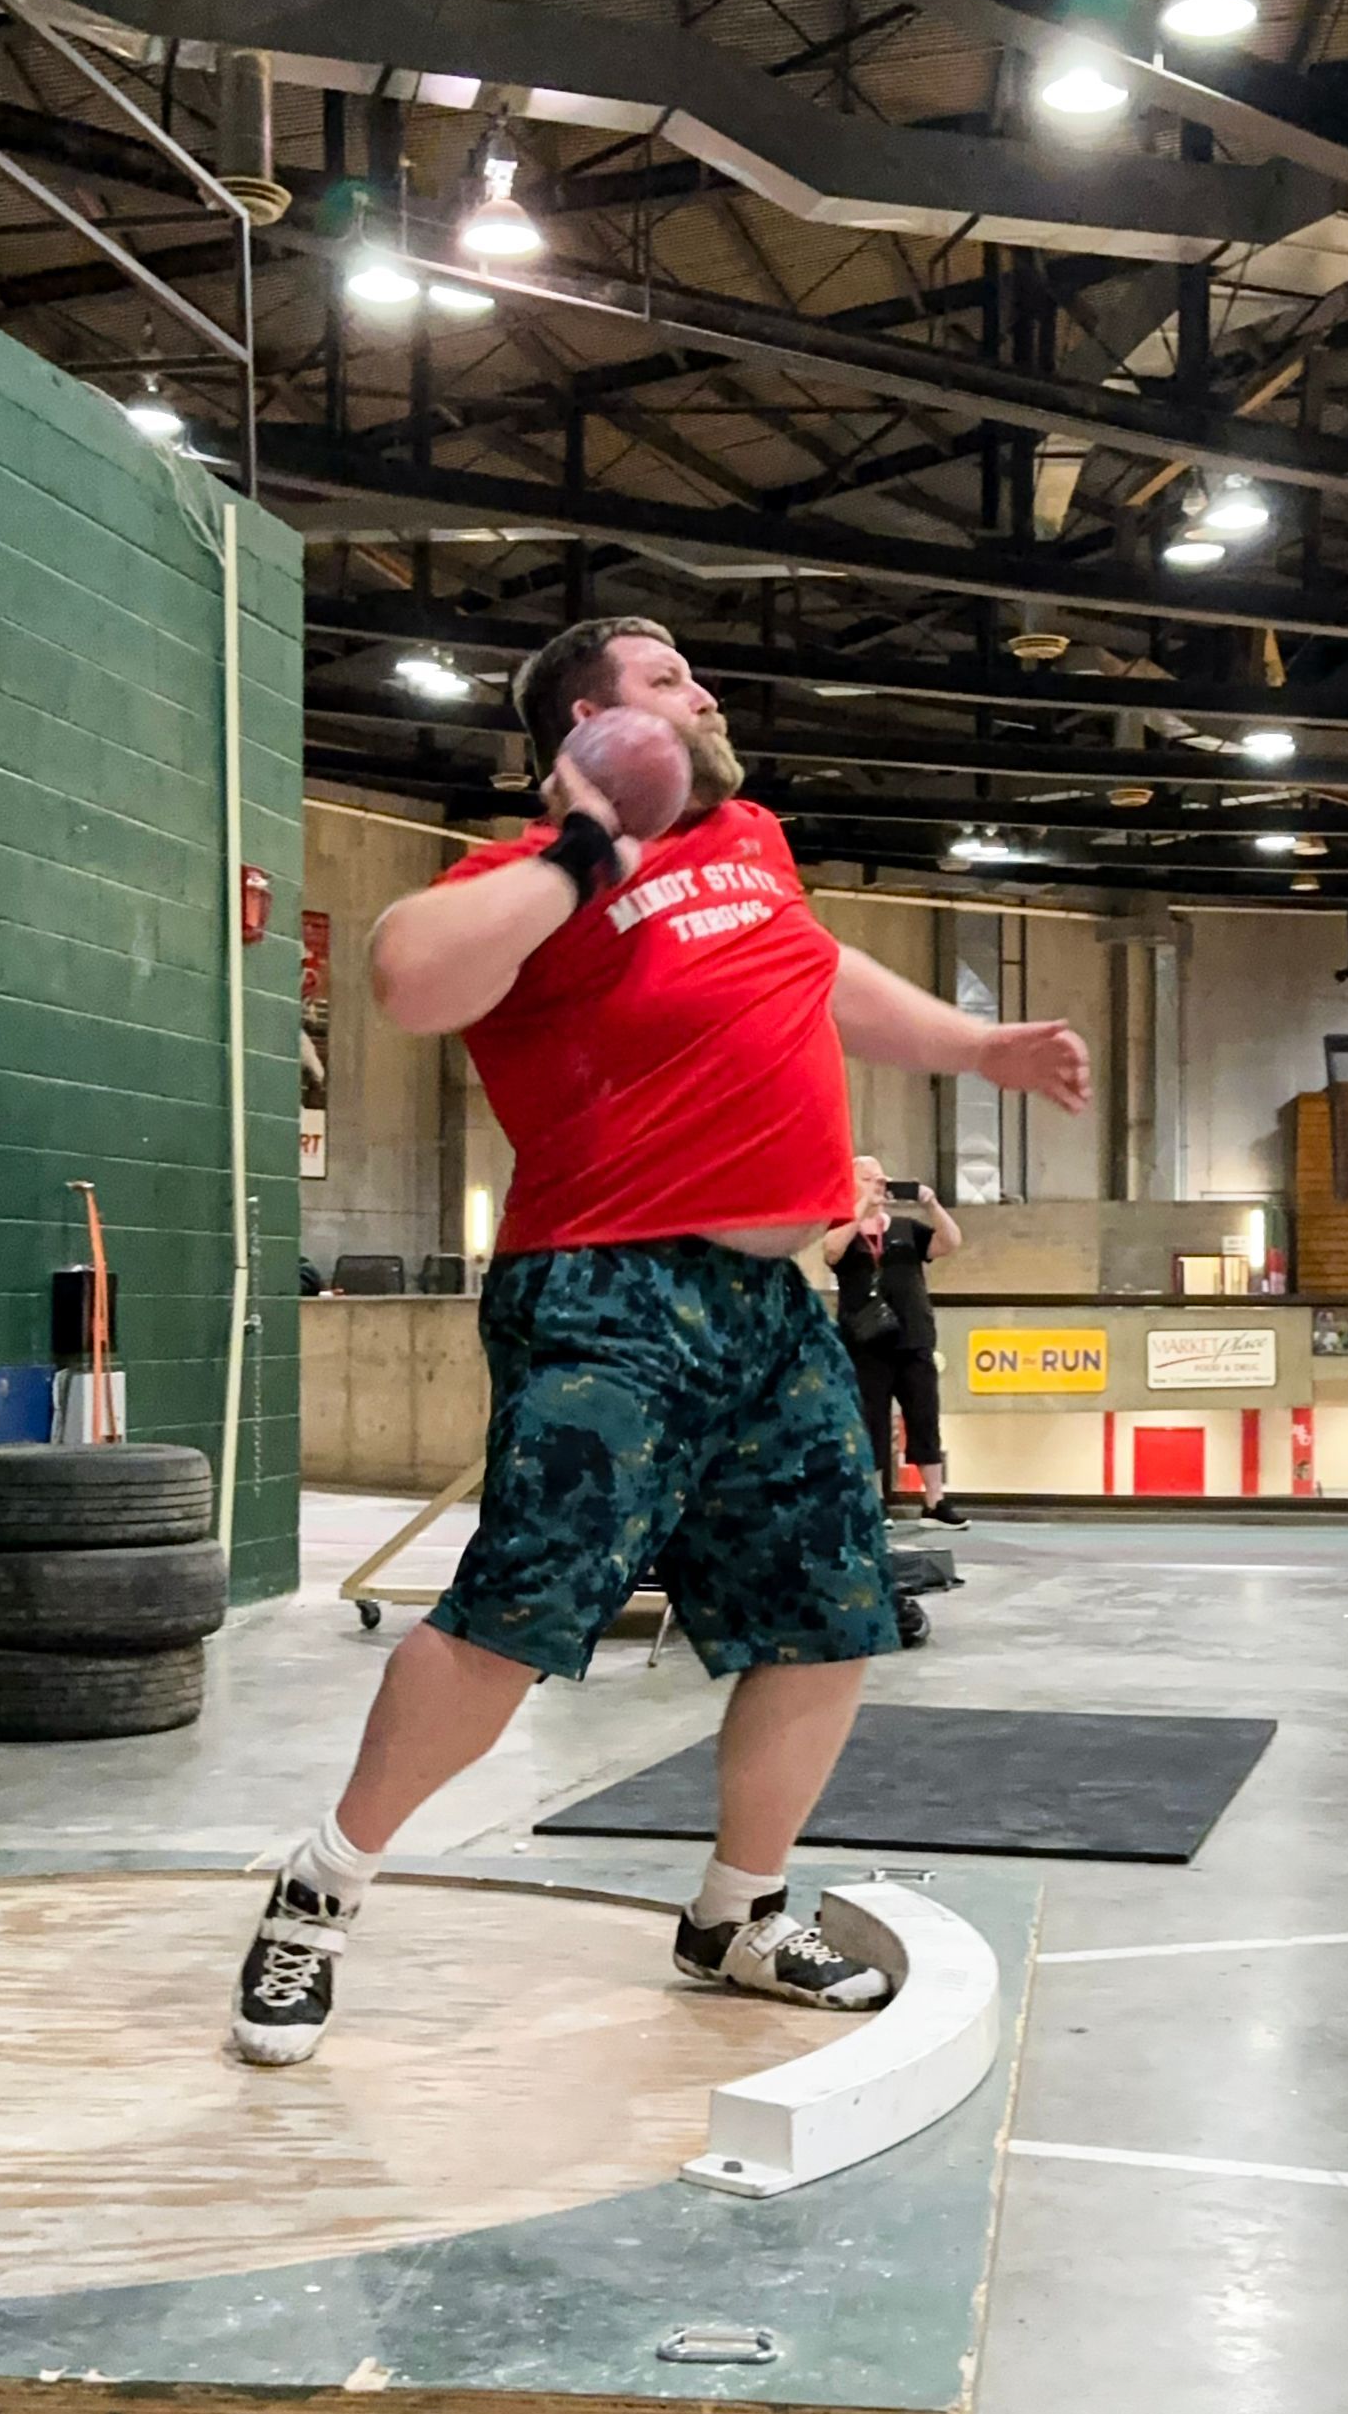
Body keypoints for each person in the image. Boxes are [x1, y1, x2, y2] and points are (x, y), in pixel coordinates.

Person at [230, 615, 1089, 2065]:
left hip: (771, 1305)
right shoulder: (522, 880)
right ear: (584, 724)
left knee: (831, 1617)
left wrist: (975, 1047)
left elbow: (813, 973)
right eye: (665, 678)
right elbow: (404, 979)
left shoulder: (749, 837)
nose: (703, 689)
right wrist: (585, 851)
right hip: (606, 1296)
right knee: (513, 1619)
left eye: (695, 669)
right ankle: (319, 1892)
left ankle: (737, 1916)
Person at [825, 1159, 968, 1529]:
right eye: (868, 1179)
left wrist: (931, 1204)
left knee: (923, 1415)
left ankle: (935, 1500)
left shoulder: (906, 1229)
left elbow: (950, 1242)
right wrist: (862, 1208)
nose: (877, 1185)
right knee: (870, 1418)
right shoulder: (844, 1226)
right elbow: (831, 1253)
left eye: (881, 1179)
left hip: (912, 1336)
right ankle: (874, 1501)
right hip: (866, 1341)